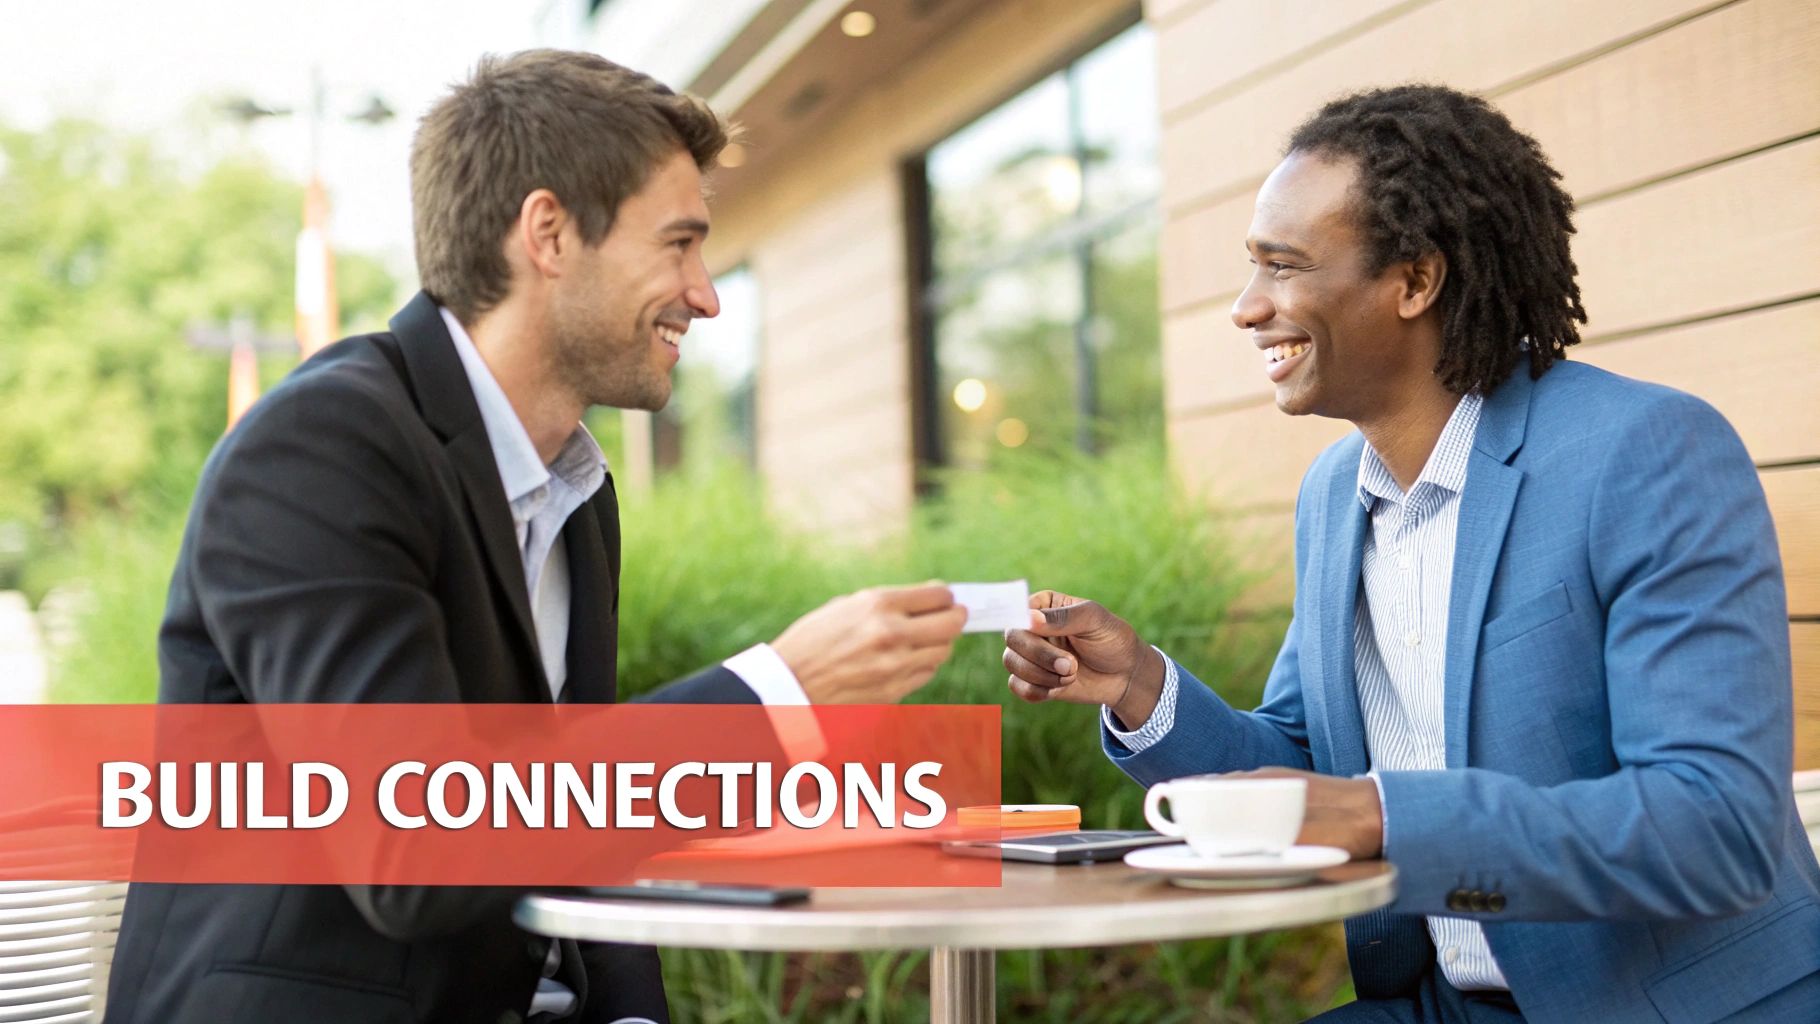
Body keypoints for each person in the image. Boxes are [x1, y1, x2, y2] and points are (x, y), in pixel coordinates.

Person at [108, 50, 967, 1024]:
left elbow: (569, 826)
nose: (707, 293)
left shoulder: (572, 489)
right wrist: (778, 693)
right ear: (549, 233)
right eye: (677, 244)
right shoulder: (322, 449)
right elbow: (415, 846)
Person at [1003, 84, 1820, 1022]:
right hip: (1441, 1003)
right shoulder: (1332, 497)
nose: (1246, 308)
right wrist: (1139, 687)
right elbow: (1297, 763)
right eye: (1250, 267)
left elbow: (1711, 827)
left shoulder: (1643, 452)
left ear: (1415, 281)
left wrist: (1380, 816)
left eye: (1284, 266)